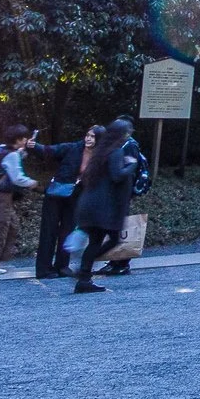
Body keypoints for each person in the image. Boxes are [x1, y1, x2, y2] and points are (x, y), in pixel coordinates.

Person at [71, 117, 148, 295]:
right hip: (102, 208)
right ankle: (83, 273)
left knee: (98, 242)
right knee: (110, 240)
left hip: (90, 204)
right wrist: (131, 165)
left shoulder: (100, 152)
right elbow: (117, 175)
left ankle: (84, 275)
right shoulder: (115, 152)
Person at [34, 127, 92, 279]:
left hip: (76, 194)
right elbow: (52, 150)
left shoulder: (100, 156)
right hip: (57, 192)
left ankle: (62, 265)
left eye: (93, 136)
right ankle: (43, 268)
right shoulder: (73, 148)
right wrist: (35, 146)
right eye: (87, 135)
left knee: (68, 229)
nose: (89, 139)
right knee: (49, 230)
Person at [0, 127, 38, 273]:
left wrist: (21, 153)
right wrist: (32, 183)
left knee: (12, 225)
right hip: (2, 196)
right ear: (17, 140)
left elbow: (6, 163)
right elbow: (17, 178)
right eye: (24, 138)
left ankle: (0, 259)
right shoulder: (11, 155)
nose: (26, 140)